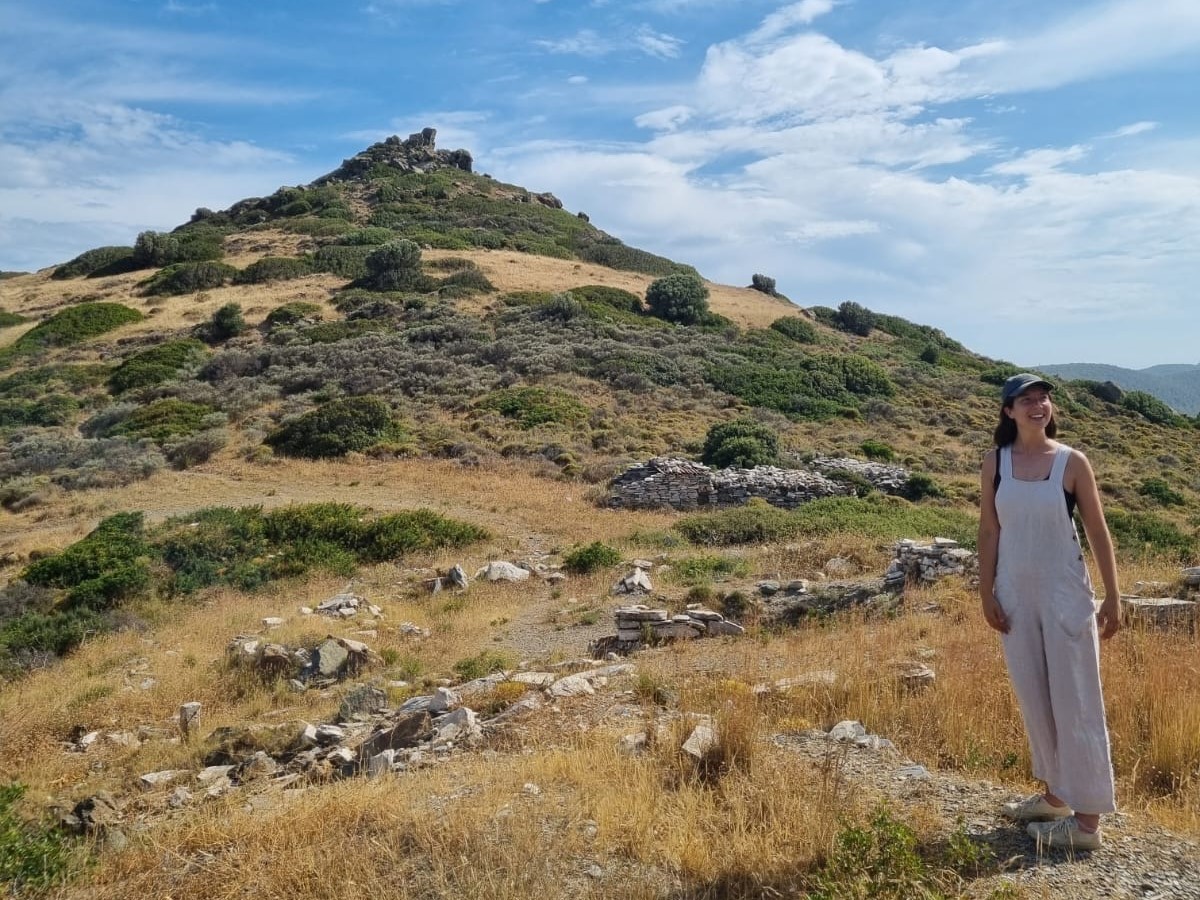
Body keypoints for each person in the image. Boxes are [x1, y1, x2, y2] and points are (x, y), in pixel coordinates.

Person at [977, 373, 1121, 851]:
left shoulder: (1071, 463)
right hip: (1015, 595)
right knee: (1036, 699)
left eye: (1044, 397)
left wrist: (1114, 596)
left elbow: (1098, 532)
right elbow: (989, 532)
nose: (1039, 405)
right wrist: (986, 592)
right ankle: (1056, 796)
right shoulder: (994, 463)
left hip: (1065, 595)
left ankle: (1086, 826)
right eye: (1027, 399)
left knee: (1076, 700)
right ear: (1009, 412)